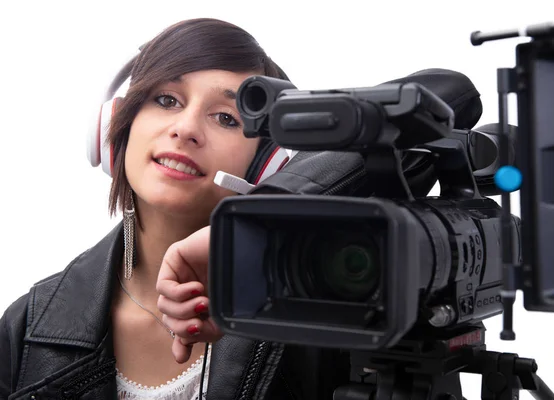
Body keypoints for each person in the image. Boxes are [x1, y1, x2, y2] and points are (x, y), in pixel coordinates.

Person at [0, 18, 349, 400]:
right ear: (117, 126)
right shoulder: (25, 328)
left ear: (267, 165)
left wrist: (278, 207)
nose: (186, 129)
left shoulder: (324, 316)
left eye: (226, 118)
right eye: (167, 100)